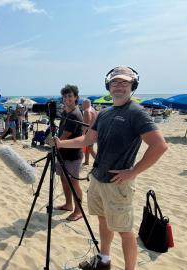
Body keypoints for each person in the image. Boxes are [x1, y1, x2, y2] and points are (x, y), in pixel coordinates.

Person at [53, 67, 168, 270]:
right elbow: (87, 139)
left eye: (124, 82)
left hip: (118, 184)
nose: (119, 86)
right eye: (115, 82)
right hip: (98, 179)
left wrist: (133, 172)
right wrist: (61, 144)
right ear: (108, 86)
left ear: (133, 86)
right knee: (103, 222)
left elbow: (159, 146)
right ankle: (104, 260)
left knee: (125, 230)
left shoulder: (136, 112)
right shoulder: (104, 113)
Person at [54, 85, 84, 221]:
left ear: (76, 97)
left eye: (70, 96)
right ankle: (68, 204)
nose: (67, 99)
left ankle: (79, 211)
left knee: (73, 183)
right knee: (64, 180)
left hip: (73, 155)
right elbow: (61, 133)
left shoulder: (74, 114)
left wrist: (54, 147)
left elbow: (65, 136)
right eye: (65, 96)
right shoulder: (66, 113)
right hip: (63, 154)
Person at [82, 99, 97, 165]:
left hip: (89, 132)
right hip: (95, 131)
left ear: (85, 104)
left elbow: (86, 124)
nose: (82, 105)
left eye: (83, 104)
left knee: (90, 148)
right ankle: (86, 161)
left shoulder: (86, 111)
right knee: (88, 147)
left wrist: (83, 133)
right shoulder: (93, 109)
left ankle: (99, 162)